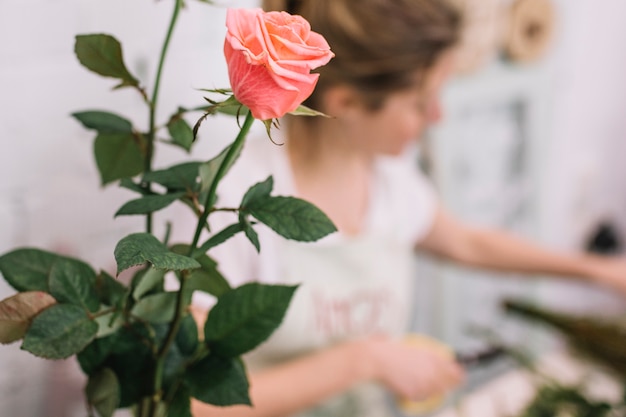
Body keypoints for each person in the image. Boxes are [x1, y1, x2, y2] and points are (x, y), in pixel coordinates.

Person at [191, 0, 626, 416]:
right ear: (346, 104)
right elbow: (192, 400)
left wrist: (598, 271)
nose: (438, 117)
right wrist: (364, 361)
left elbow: (467, 242)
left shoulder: (388, 177)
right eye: (421, 103)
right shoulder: (228, 202)